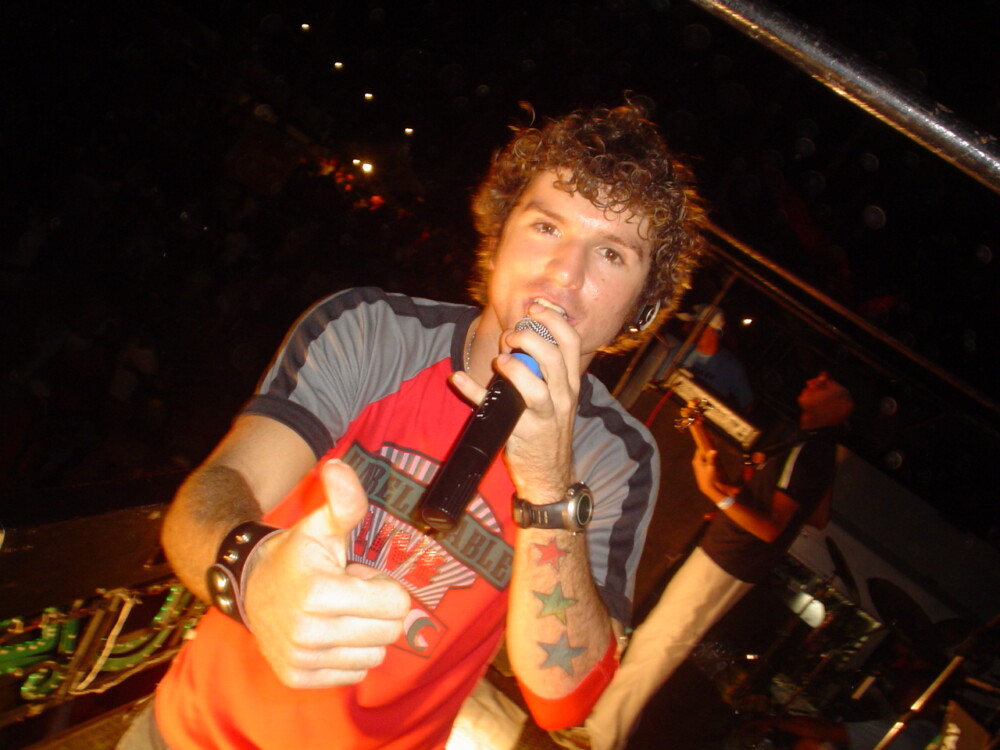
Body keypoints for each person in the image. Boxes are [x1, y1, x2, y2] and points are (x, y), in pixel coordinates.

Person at [117, 100, 706, 749]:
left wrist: (546, 483)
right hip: (186, 732)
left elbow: (561, 699)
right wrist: (255, 574)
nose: (566, 272)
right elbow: (207, 498)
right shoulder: (372, 332)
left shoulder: (617, 456)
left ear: (642, 309)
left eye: (612, 254)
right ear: (499, 233)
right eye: (546, 226)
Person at [554, 370, 854, 750]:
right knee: (657, 640)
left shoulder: (812, 450)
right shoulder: (810, 446)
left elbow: (770, 529)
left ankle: (600, 738)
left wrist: (720, 496)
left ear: (844, 406)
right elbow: (817, 516)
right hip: (732, 554)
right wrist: (732, 499)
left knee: (659, 642)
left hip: (733, 557)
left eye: (827, 383)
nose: (813, 380)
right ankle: (605, 728)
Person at [665, 303, 754, 411]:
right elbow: (658, 382)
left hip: (700, 417)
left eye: (701, 326)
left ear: (716, 331)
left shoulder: (732, 368)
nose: (694, 330)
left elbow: (747, 405)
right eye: (695, 325)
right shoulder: (679, 351)